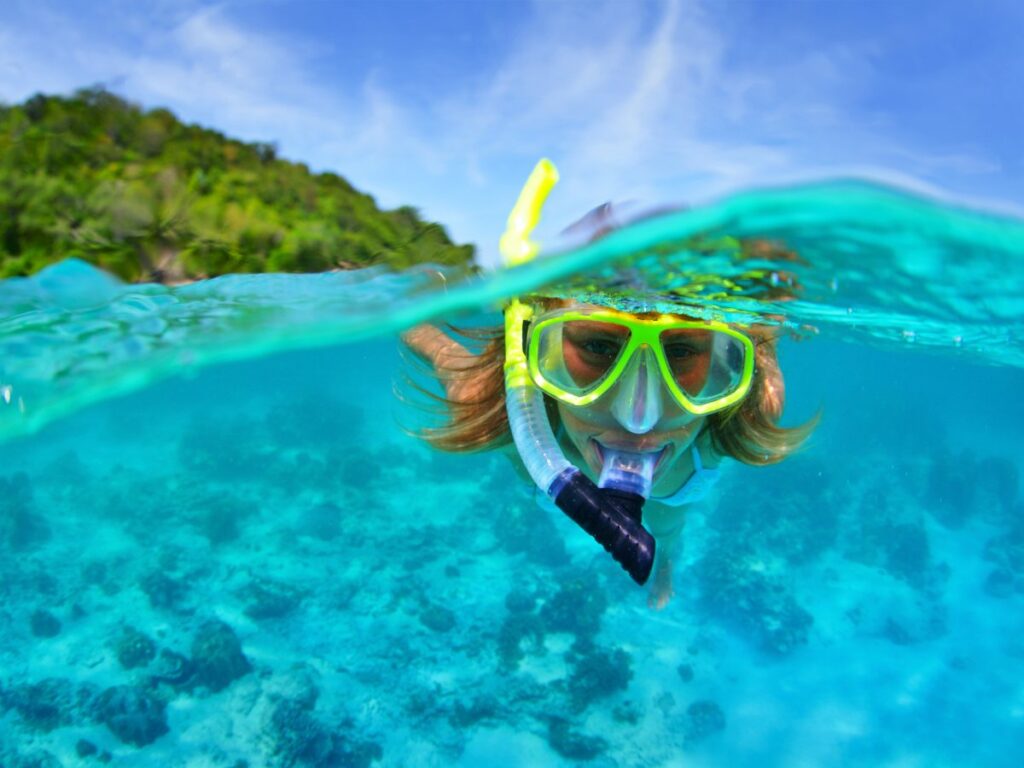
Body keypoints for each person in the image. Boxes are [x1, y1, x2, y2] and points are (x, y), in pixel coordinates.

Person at [402, 161, 814, 609]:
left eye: (680, 353)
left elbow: (761, 334)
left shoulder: (749, 409)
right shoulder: (490, 400)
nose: (638, 419)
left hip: (673, 493)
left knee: (669, 524)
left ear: (725, 363)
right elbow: (429, 339)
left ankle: (668, 562)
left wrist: (767, 317)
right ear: (532, 349)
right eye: (598, 346)